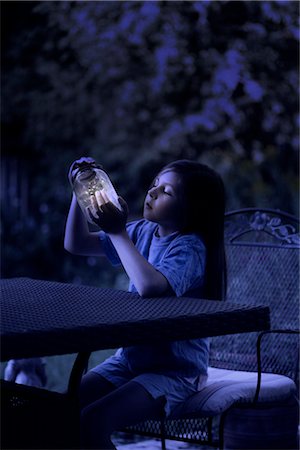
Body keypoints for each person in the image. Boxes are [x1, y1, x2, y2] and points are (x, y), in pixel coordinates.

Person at [64, 157, 226, 449]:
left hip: (174, 371)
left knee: (92, 421)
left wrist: (117, 231)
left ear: (191, 209)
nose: (152, 192)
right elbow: (76, 243)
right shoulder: (141, 232)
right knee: (60, 407)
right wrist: (80, 192)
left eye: (167, 191)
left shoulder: (190, 248)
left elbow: (151, 287)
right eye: (155, 184)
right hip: (130, 361)